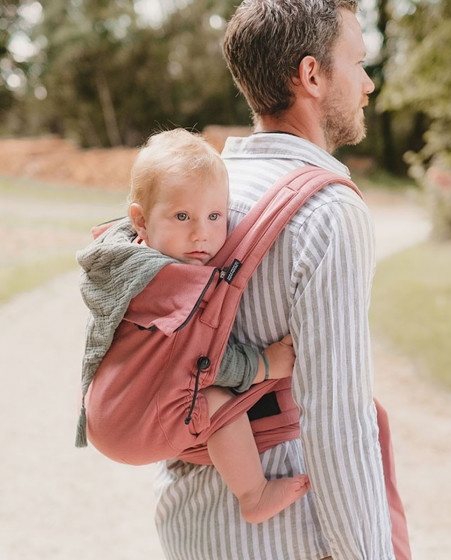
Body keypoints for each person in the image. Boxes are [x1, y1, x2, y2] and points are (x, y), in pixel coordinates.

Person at [154, 1, 410, 559]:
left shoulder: (198, 194)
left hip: (191, 521)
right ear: (311, 75)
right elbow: (338, 423)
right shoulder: (327, 211)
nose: (368, 84)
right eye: (358, 63)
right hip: (289, 534)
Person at [79, 128, 310, 524]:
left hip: (110, 410)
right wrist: (266, 365)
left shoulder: (125, 259)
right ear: (141, 220)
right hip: (132, 427)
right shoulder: (168, 285)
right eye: (182, 216)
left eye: (215, 216)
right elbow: (201, 363)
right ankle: (253, 494)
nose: (201, 233)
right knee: (219, 405)